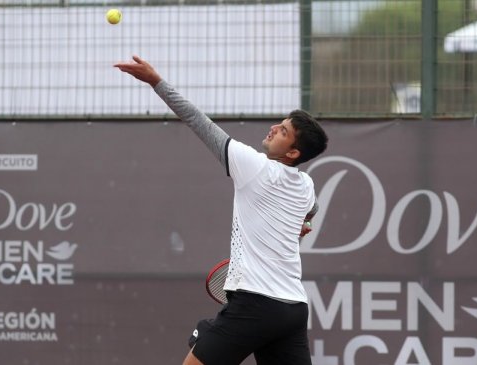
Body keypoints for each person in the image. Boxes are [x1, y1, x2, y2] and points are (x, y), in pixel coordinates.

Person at [114, 56, 328, 365]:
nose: (273, 129)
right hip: (293, 309)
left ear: (293, 152)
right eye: (279, 124)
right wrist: (303, 222)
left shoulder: (253, 166)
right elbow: (313, 208)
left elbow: (199, 122)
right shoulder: (305, 185)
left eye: (282, 131)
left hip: (255, 305)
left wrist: (155, 81)